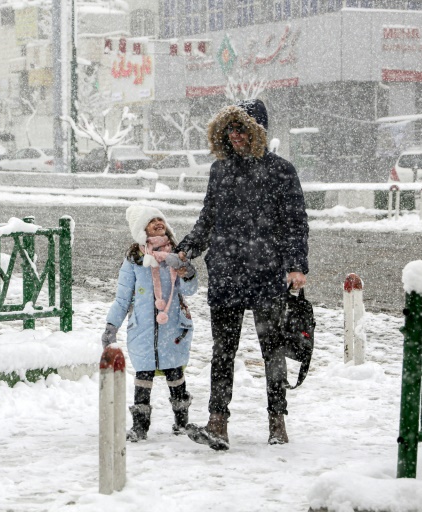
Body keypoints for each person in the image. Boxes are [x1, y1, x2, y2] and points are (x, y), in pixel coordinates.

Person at [176, 99, 309, 451]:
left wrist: (297, 265)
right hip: (226, 272)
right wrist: (187, 249)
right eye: (230, 130)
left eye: (242, 129)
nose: (235, 136)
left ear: (257, 132)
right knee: (223, 351)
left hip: (268, 272)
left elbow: (296, 223)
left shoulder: (281, 171)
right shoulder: (220, 171)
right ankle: (217, 421)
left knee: (272, 350)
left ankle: (277, 419)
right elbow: (207, 219)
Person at [102, 204, 198, 441]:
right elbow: (123, 298)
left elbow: (191, 289)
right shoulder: (134, 260)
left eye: (160, 219)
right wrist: (111, 325)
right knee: (143, 376)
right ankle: (140, 426)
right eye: (151, 221)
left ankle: (181, 422)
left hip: (173, 325)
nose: (158, 223)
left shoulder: (176, 254)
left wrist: (185, 269)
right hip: (143, 329)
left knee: (175, 373)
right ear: (141, 229)